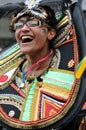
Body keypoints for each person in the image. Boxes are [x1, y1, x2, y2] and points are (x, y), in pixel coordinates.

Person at [0, 0, 86, 130]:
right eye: (18, 25)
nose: (24, 29)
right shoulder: (6, 76)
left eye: (33, 23)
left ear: (50, 33)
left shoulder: (75, 76)